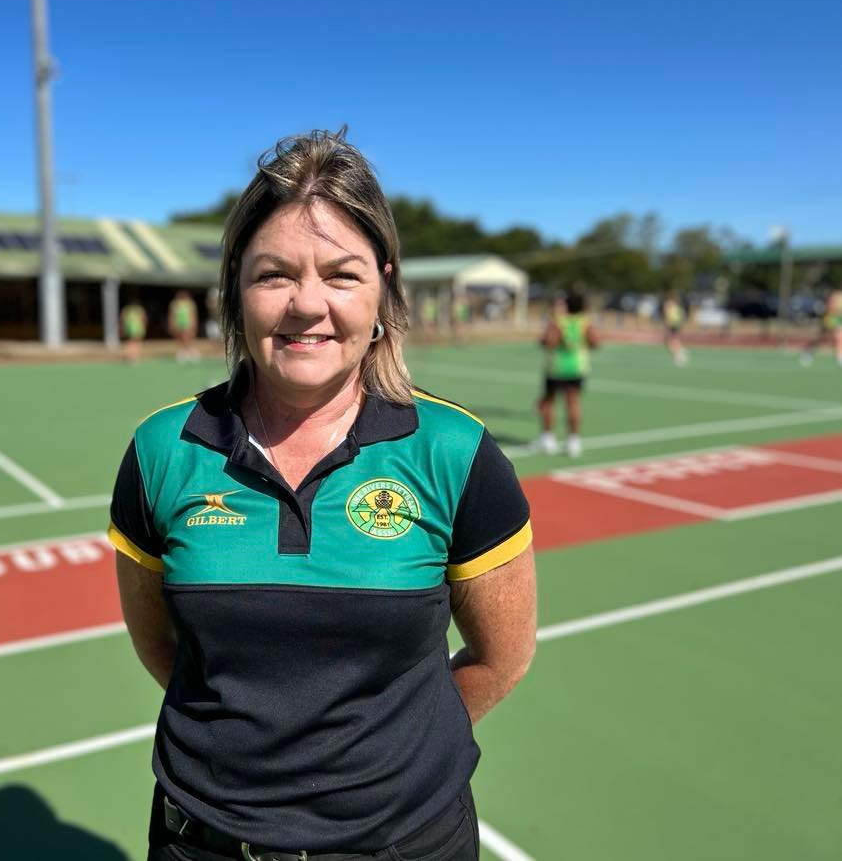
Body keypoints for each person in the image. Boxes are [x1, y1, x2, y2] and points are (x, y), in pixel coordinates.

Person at [110, 130, 536, 861]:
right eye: (274, 275)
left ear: (383, 290)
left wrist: (389, 764)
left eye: (342, 274)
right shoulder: (161, 451)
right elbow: (164, 649)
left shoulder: (455, 452)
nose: (308, 305)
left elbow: (503, 657)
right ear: (235, 289)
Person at [535, 289, 599, 458]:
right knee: (573, 403)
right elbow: (594, 342)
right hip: (578, 368)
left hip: (557, 368)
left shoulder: (558, 321)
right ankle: (574, 442)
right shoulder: (585, 322)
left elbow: (549, 342)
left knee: (549, 402)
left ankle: (548, 440)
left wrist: (545, 338)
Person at [800, 290, 842, 367]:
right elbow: (830, 307)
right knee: (821, 338)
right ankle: (808, 351)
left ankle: (839, 357)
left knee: (838, 338)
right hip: (830, 318)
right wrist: (836, 310)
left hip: (838, 320)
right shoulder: (836, 295)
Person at [167, 290, 199, 362]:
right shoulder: (174, 304)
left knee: (187, 337)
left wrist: (194, 324)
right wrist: (171, 324)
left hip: (187, 324)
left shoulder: (190, 303)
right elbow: (171, 315)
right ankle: (184, 352)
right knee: (180, 338)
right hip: (178, 324)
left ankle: (190, 352)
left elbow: (193, 314)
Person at [661, 290, 688, 367]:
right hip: (676, 323)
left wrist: (667, 323)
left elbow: (667, 315)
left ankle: (678, 354)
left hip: (672, 323)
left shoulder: (669, 304)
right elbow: (681, 315)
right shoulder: (676, 305)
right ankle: (679, 352)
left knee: (670, 340)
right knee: (673, 339)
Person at [120, 297, 148, 364]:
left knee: (130, 342)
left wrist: (122, 327)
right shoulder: (140, 309)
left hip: (129, 328)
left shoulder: (126, 309)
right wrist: (145, 326)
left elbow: (122, 319)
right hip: (138, 327)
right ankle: (133, 357)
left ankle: (130, 356)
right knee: (135, 343)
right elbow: (144, 319)